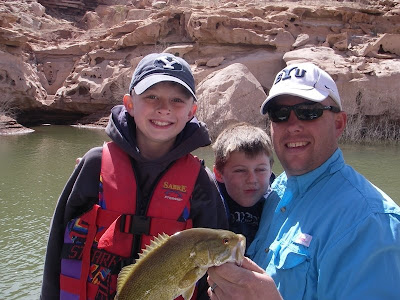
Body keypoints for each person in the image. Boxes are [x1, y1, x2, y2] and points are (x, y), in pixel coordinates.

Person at [40, 53, 228, 300]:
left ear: (192, 111)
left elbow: (213, 275)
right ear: (129, 103)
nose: (164, 108)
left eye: (177, 100)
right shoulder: (93, 164)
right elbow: (56, 248)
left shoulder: (200, 182)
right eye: (151, 97)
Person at [206, 62, 400, 300]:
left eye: (309, 112)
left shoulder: (371, 222)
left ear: (338, 123)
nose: (293, 126)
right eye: (280, 114)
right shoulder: (275, 191)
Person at [212, 122, 274, 250]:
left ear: (270, 170)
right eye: (240, 171)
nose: (252, 180)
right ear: (219, 174)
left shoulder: (279, 203)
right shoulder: (208, 200)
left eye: (261, 170)